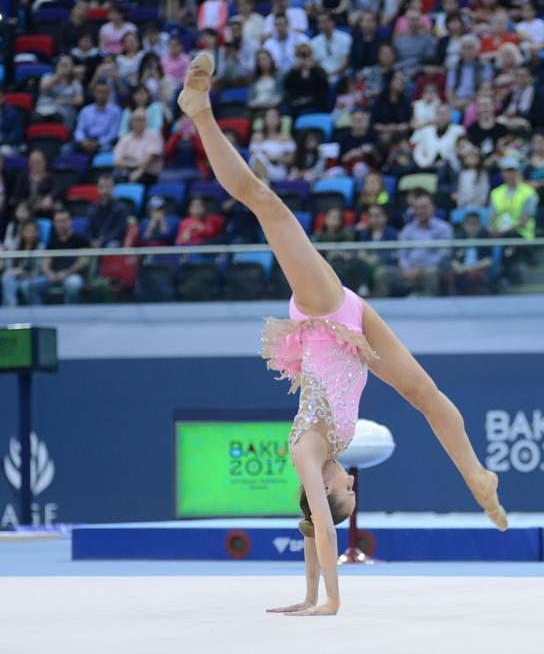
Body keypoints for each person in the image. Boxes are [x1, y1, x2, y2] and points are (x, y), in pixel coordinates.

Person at [176, 54, 506, 617]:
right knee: (423, 395)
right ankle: (477, 475)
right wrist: (305, 596)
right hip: (353, 325)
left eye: (347, 497)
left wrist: (329, 601)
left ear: (332, 491)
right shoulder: (331, 451)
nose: (355, 490)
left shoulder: (307, 453)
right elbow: (313, 526)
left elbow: (320, 530)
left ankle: (199, 112)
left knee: (267, 205)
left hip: (324, 315)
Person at [38, 209, 89, 304]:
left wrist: (65, 273)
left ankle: (70, 313)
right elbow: (45, 263)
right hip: (53, 276)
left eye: (64, 221)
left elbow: (83, 261)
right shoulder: (51, 241)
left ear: (70, 221)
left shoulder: (81, 239)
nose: (61, 225)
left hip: (73, 275)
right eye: (57, 222)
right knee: (29, 286)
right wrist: (50, 274)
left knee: (73, 284)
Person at [0, 221, 45, 307]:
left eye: (33, 231)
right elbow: (8, 264)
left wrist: (24, 273)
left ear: (37, 233)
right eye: (27, 231)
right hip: (16, 279)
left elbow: (39, 271)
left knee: (26, 285)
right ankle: (12, 305)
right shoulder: (16, 246)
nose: (30, 234)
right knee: (7, 276)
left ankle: (36, 309)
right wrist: (14, 271)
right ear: (22, 232)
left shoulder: (40, 248)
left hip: (32, 278)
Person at [113, 110, 164, 184]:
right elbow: (116, 161)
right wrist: (134, 163)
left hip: (147, 172)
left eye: (141, 120)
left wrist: (138, 168)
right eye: (136, 120)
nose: (138, 123)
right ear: (131, 122)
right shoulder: (125, 138)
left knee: (136, 178)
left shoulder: (154, 136)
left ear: (146, 122)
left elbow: (147, 160)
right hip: (126, 170)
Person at [451, 210, 494, 295]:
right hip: (461, 270)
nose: (472, 227)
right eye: (469, 224)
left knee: (476, 276)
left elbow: (488, 261)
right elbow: (453, 260)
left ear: (480, 225)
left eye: (475, 224)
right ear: (464, 225)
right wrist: (458, 268)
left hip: (477, 269)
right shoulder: (459, 238)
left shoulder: (485, 238)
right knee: (451, 276)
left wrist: (468, 269)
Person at [74, 81, 122, 155]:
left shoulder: (116, 111)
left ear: (109, 94)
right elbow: (79, 129)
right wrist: (83, 141)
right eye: (99, 92)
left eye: (104, 92)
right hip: (85, 141)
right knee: (66, 149)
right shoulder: (85, 110)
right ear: (94, 93)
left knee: (106, 149)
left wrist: (98, 143)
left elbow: (113, 133)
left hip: (103, 143)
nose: (101, 95)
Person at [86, 175, 128, 248]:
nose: (105, 191)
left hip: (112, 243)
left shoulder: (121, 209)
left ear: (113, 188)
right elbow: (88, 229)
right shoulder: (92, 209)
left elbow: (119, 231)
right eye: (102, 187)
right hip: (95, 243)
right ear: (98, 189)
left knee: (112, 245)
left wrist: (103, 242)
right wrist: (91, 241)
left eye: (108, 187)